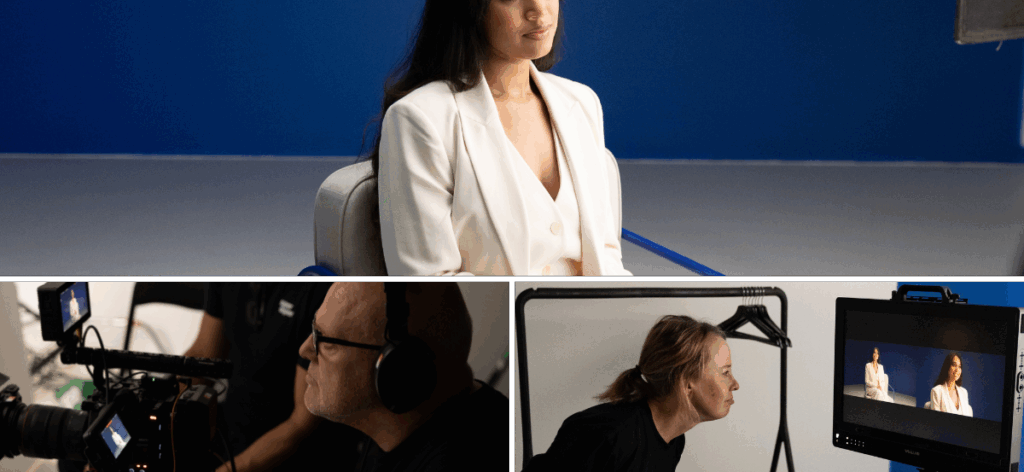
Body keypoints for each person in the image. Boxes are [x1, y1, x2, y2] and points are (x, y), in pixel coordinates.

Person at [361, 0, 631, 276]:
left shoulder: (582, 104)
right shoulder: (420, 120)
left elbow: (608, 258)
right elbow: (428, 286)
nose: (538, 10)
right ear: (469, 9)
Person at [72, 282, 367, 472]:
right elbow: (203, 359)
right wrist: (141, 410)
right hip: (227, 429)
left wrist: (229, 470)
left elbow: (301, 424)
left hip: (292, 454)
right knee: (85, 457)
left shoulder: (317, 288)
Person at [298, 282, 508, 471]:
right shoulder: (395, 431)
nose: (304, 349)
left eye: (325, 341)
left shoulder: (463, 460)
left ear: (400, 369)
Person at [523, 315, 739, 472]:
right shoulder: (606, 433)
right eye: (725, 372)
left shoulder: (673, 441)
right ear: (686, 381)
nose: (735, 384)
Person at [929, 352, 973, 416]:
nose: (957, 370)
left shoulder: (964, 392)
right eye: (954, 365)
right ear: (947, 367)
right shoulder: (936, 391)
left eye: (959, 366)